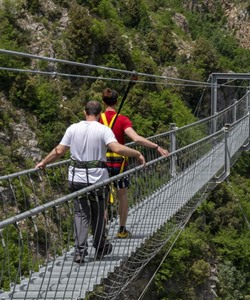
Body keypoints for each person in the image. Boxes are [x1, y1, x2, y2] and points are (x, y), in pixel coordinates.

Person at [35, 100, 145, 264]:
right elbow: (117, 148)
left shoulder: (73, 128)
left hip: (76, 178)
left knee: (81, 213)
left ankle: (80, 252)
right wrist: (136, 153)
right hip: (97, 180)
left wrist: (43, 162)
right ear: (100, 114)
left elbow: (59, 151)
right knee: (99, 212)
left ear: (84, 112)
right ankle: (100, 246)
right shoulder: (103, 129)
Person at [100, 88, 169, 238]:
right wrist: (156, 147)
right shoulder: (122, 119)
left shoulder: (98, 119)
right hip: (120, 164)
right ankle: (122, 230)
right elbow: (136, 139)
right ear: (117, 102)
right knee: (122, 195)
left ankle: (102, 233)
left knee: (103, 197)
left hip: (102, 163)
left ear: (103, 102)